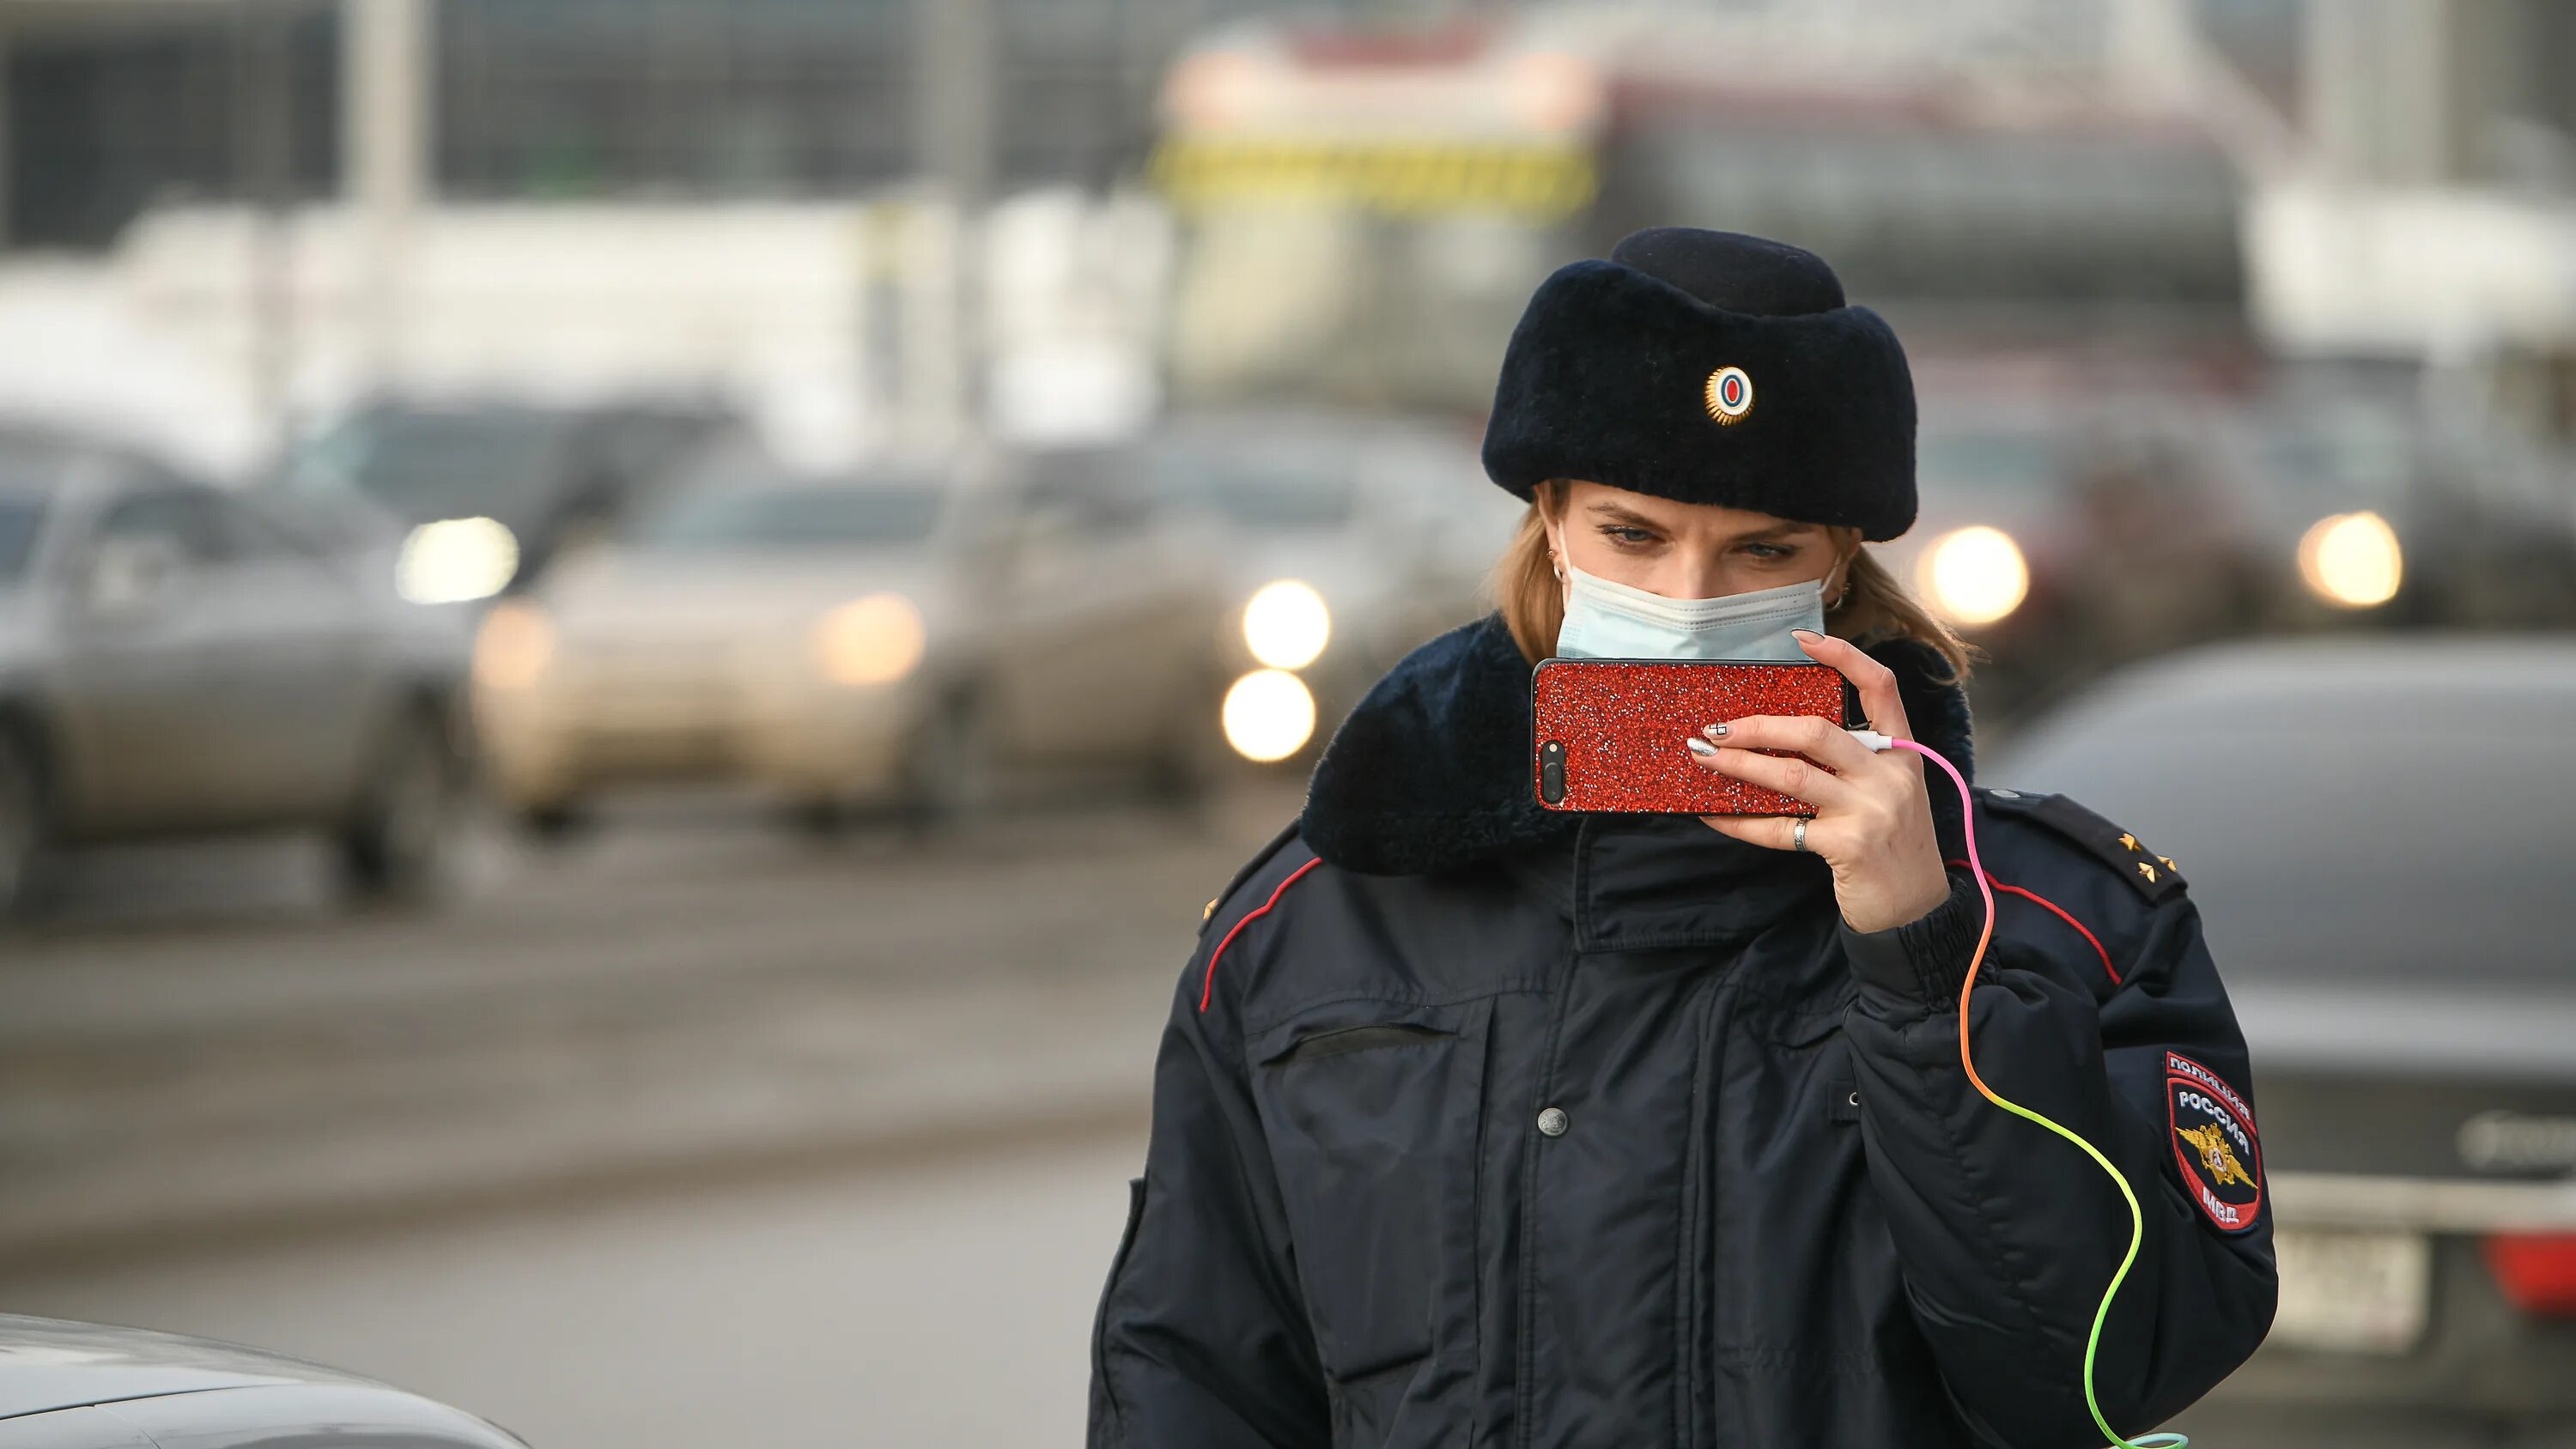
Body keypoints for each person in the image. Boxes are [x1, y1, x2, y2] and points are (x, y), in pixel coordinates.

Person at [1085, 227, 2277, 1448]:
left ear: (1839, 560)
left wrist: (1928, 968)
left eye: (1763, 550)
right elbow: (1194, 1379)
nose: (1692, 605)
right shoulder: (1311, 929)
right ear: (1551, 521)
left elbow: (2097, 1378)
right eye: (1635, 536)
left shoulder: (2070, 924)